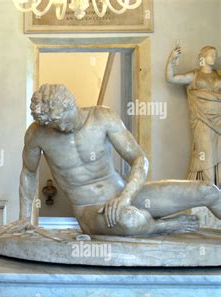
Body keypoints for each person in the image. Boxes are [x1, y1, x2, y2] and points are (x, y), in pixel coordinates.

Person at [13, 84, 220, 237]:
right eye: (51, 124)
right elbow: (28, 173)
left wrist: (126, 197)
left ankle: (147, 219)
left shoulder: (103, 118)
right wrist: (25, 218)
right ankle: (161, 226)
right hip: (89, 210)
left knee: (208, 190)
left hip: (123, 194)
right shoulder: (37, 134)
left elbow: (139, 158)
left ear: (70, 106)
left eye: (59, 121)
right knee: (129, 220)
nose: (58, 128)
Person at [166, 45, 221, 185]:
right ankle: (208, 190)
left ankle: (218, 190)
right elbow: (170, 78)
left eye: (215, 55)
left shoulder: (219, 74)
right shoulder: (194, 75)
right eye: (211, 55)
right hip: (202, 121)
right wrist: (171, 60)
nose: (214, 57)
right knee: (206, 153)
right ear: (202, 57)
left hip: (219, 120)